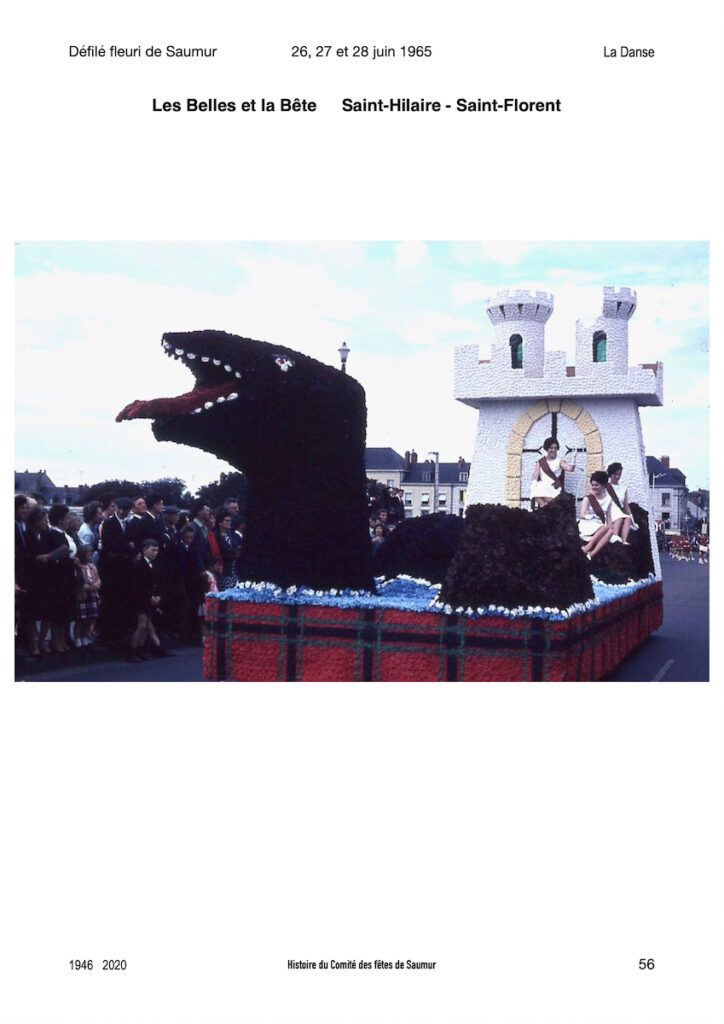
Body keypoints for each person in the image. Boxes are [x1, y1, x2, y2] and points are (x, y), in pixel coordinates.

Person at [128, 538, 172, 661]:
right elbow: (138, 584)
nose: (155, 553)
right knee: (141, 625)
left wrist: (158, 596)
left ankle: (140, 650)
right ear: (144, 550)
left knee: (147, 625)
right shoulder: (139, 564)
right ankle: (132, 651)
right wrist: (150, 597)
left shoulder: (154, 564)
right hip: (140, 599)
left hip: (151, 599)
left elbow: (157, 583)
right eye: (152, 550)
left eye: (157, 550)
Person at [46, 504, 80, 653]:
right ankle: (56, 640)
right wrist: (71, 561)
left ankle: (62, 639)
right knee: (58, 611)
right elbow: (56, 557)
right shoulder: (54, 534)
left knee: (64, 611)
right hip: (58, 578)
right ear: (60, 520)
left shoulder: (61, 534)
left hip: (66, 577)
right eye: (66, 518)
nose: (68, 521)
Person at [578, 471, 614, 559]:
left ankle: (591, 555)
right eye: (593, 485)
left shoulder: (609, 499)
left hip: (599, 526)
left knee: (610, 531)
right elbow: (582, 514)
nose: (594, 487)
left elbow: (608, 517)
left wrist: (611, 529)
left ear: (603, 485)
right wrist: (592, 517)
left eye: (596, 485)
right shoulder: (588, 498)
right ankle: (588, 547)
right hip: (587, 524)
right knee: (605, 528)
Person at [530, 437, 575, 508]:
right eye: (551, 448)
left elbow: (570, 469)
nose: (553, 450)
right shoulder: (541, 462)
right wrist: (533, 484)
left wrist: (574, 458)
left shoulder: (559, 461)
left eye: (555, 448)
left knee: (549, 500)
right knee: (535, 491)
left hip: (554, 487)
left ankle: (545, 510)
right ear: (547, 448)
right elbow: (536, 474)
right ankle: (544, 509)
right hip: (542, 486)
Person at [75, 544, 101, 647]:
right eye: (89, 555)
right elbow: (78, 583)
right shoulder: (78, 567)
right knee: (81, 618)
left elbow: (98, 578)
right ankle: (77, 638)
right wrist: (89, 587)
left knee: (91, 617)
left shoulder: (92, 567)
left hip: (93, 594)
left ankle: (85, 636)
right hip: (83, 594)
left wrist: (97, 584)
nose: (91, 557)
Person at [606, 462, 638, 545]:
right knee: (619, 518)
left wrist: (631, 515)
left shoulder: (623, 488)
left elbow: (626, 505)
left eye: (619, 474)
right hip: (609, 509)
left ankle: (624, 541)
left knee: (628, 519)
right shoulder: (606, 487)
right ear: (610, 474)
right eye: (615, 474)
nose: (617, 477)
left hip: (619, 510)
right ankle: (615, 537)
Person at [213, 507, 242, 589]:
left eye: (230, 521)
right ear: (220, 523)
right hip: (224, 570)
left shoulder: (234, 535)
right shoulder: (215, 536)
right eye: (227, 521)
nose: (229, 523)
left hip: (235, 570)